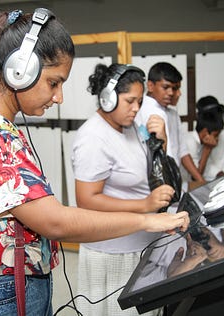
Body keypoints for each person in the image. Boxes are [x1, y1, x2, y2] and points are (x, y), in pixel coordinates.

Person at [0, 8, 190, 316]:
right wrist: (149, 219)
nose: (59, 97)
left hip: (4, 289)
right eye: (54, 83)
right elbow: (55, 221)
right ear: (19, 70)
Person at [71, 63, 176, 316]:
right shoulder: (93, 138)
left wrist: (161, 142)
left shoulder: (132, 125)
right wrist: (145, 206)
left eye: (140, 101)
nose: (136, 108)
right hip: (113, 253)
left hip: (141, 244)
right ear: (108, 98)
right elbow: (86, 200)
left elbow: (154, 167)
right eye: (130, 101)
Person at [134, 62, 205, 193]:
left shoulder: (172, 114)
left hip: (172, 180)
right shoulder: (145, 110)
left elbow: (182, 151)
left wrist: (201, 181)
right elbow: (159, 156)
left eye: (174, 88)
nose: (171, 93)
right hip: (154, 183)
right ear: (150, 86)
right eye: (165, 87)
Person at [182, 107, 224, 187]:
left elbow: (207, 167)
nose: (217, 139)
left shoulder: (201, 143)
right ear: (205, 132)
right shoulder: (190, 142)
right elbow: (195, 177)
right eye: (215, 135)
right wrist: (207, 150)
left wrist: (220, 173)